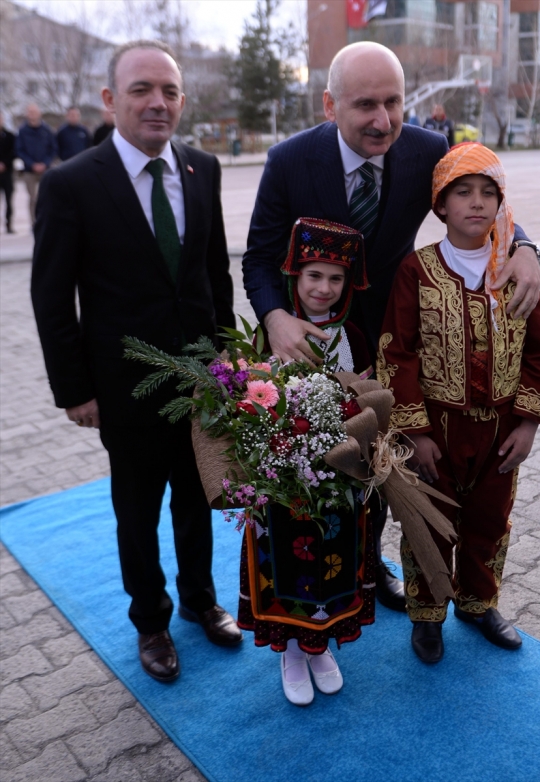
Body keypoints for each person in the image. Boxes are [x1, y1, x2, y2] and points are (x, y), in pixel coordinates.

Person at [242, 40, 540, 615]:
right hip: (314, 342)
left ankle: (371, 563)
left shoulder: (427, 149)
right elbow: (257, 258)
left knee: (385, 458)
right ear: (330, 105)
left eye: (394, 102)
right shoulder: (288, 161)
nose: (383, 120)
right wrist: (276, 319)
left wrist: (524, 245)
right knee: (319, 459)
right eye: (365, 105)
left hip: (396, 335)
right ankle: (311, 573)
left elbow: (478, 200)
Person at [31, 39, 241, 684]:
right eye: (142, 90)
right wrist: (74, 389)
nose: (158, 103)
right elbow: (51, 296)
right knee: (138, 510)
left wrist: (229, 364)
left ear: (182, 100)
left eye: (169, 91)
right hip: (124, 388)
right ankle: (151, 620)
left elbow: (213, 274)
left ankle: (201, 600)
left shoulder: (203, 168)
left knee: (197, 499)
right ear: (110, 99)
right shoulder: (71, 183)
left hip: (201, 382)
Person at [377, 142, 540, 664]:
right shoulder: (417, 270)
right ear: (440, 204)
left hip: (501, 429)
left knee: (489, 522)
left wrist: (528, 424)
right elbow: (396, 353)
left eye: (487, 193)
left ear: (501, 204)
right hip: (435, 429)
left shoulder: (516, 270)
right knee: (429, 524)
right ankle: (427, 614)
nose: (476, 203)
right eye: (463, 192)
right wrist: (415, 433)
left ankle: (479, 605)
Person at [238, 218, 376, 705]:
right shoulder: (268, 335)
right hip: (283, 482)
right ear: (294, 275)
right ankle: (291, 652)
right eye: (314, 275)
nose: (324, 288)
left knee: (334, 562)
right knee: (287, 562)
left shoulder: (354, 335)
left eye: (336, 278)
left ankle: (319, 647)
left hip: (340, 479)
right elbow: (248, 406)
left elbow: (368, 399)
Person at [15, 104, 57, 228]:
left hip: (45, 169)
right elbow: (19, 150)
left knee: (47, 197)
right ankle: (35, 223)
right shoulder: (22, 131)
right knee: (33, 198)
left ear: (39, 113)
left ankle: (48, 222)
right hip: (29, 170)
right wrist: (31, 164)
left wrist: (45, 163)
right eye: (30, 112)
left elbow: (53, 149)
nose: (32, 114)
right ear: (27, 114)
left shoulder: (47, 129)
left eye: (34, 111)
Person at [0, 112, 16, 233]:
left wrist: (4, 163)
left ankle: (9, 224)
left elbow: (14, 152)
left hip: (7, 172)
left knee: (9, 200)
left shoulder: (10, 136)